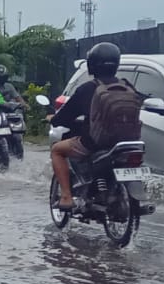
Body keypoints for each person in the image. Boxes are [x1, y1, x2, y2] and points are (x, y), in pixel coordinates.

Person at [50, 42, 120, 210]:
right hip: (125, 142)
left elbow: (64, 117)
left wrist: (53, 119)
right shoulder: (126, 86)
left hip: (95, 142)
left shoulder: (87, 89)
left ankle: (66, 197)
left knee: (57, 150)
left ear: (92, 65)